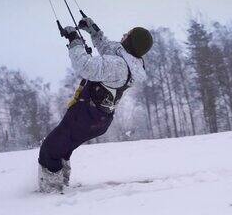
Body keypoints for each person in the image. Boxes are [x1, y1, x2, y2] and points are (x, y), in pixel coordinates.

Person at [37, 17, 153, 193]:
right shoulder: (130, 61)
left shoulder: (118, 66)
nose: (123, 35)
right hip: (97, 118)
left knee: (50, 148)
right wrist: (94, 31)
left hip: (86, 115)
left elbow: (84, 66)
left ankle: (51, 191)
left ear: (130, 41)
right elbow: (110, 49)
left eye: (127, 34)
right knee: (63, 147)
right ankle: (59, 185)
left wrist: (74, 40)